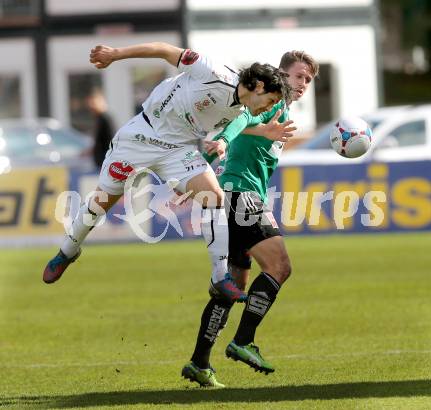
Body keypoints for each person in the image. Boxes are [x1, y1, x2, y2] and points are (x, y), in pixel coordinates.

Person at [42, 41, 294, 304]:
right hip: (141, 136)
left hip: (177, 150)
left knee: (214, 197)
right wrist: (115, 55)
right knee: (100, 204)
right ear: (260, 87)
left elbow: (238, 124)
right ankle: (67, 251)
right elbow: (164, 50)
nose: (269, 107)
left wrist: (250, 135)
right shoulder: (214, 72)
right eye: (271, 100)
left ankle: (220, 277)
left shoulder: (242, 109)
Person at [182, 50, 319, 387]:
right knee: (279, 267)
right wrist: (224, 140)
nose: (303, 84)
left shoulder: (276, 108)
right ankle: (242, 341)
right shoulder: (273, 101)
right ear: (282, 75)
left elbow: (239, 126)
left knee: (233, 286)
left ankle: (199, 362)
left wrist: (199, 166)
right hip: (241, 196)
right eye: (299, 76)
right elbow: (240, 120)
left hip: (231, 194)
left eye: (309, 80)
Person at [86, 90, 115, 169]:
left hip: (105, 163)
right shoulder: (99, 119)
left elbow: (111, 142)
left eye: (94, 103)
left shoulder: (105, 119)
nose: (91, 107)